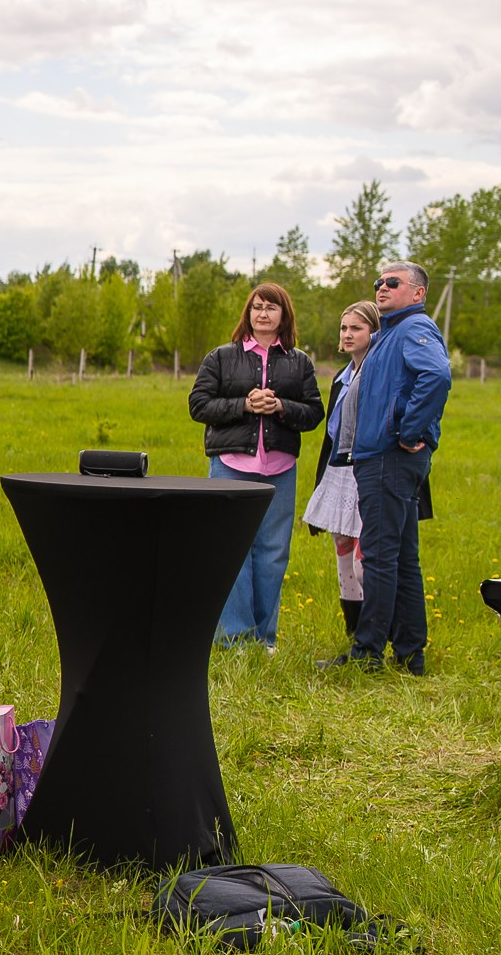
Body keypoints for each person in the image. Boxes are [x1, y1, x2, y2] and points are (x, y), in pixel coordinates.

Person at [320, 261, 451, 673]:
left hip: (389, 457)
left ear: (418, 293)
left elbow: (437, 375)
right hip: (381, 457)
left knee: (377, 556)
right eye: (378, 281)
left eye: (392, 282)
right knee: (401, 558)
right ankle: (411, 654)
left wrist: (408, 429)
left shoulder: (413, 329)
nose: (382, 287)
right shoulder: (389, 334)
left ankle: (366, 653)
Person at [189, 282, 322, 649]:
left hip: (279, 468)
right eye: (256, 307)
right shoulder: (221, 357)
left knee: (273, 554)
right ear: (248, 313)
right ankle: (235, 638)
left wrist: (281, 407)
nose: (262, 313)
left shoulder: (300, 362)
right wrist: (244, 406)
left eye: (271, 307)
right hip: (231, 466)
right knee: (232, 552)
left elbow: (314, 413)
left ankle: (265, 639)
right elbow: (198, 405)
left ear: (284, 315)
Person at [301, 301, 379, 639]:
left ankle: (377, 633)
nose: (347, 335)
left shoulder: (378, 372)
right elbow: (331, 433)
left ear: (374, 332)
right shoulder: (341, 377)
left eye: (356, 328)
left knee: (366, 562)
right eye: (344, 328)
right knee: (343, 552)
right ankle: (354, 633)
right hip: (339, 468)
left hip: (367, 469)